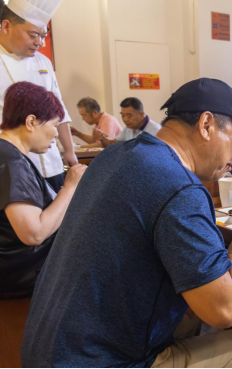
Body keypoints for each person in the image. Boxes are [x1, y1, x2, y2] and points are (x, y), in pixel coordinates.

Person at [22, 78, 232, 368]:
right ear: (206, 125)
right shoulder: (179, 186)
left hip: (45, 348)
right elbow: (224, 307)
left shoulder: (112, 156)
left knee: (191, 308)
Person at [0, 81, 85, 298]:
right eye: (55, 125)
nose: (57, 134)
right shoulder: (10, 161)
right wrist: (70, 186)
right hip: (22, 275)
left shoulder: (10, 155)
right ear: (31, 122)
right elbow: (33, 233)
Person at [0, 0, 77, 193]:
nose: (39, 42)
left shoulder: (43, 61)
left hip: (52, 161)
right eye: (33, 35)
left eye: (43, 36)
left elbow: (59, 109)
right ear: (6, 26)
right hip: (13, 165)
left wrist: (69, 150)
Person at [95, 97, 160, 147]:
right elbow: (113, 145)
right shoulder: (128, 128)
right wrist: (102, 138)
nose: (125, 119)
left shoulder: (154, 129)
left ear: (141, 115)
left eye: (129, 116)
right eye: (122, 115)